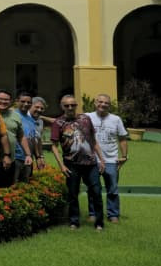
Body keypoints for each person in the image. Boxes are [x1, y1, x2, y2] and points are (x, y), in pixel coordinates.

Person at [52, 96, 106, 231]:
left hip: (91, 163)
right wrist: (61, 165)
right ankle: (74, 222)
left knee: (96, 192)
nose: (70, 108)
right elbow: (54, 146)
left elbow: (93, 140)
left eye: (73, 105)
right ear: (62, 106)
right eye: (67, 105)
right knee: (73, 193)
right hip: (71, 164)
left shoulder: (85, 119)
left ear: (76, 105)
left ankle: (99, 223)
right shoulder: (58, 123)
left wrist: (101, 159)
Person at [91, 93, 128, 224]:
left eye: (106, 103)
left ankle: (113, 214)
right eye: (100, 102)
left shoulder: (116, 119)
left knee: (112, 189)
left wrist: (124, 156)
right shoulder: (87, 117)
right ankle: (93, 213)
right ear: (95, 103)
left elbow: (122, 138)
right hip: (92, 160)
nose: (103, 104)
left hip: (111, 160)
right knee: (93, 188)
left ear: (109, 105)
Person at [0, 89, 29, 188]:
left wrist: (28, 155)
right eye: (1, 99)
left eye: (6, 100)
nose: (3, 102)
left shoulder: (16, 116)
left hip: (9, 160)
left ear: (11, 101)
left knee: (7, 189)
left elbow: (21, 136)